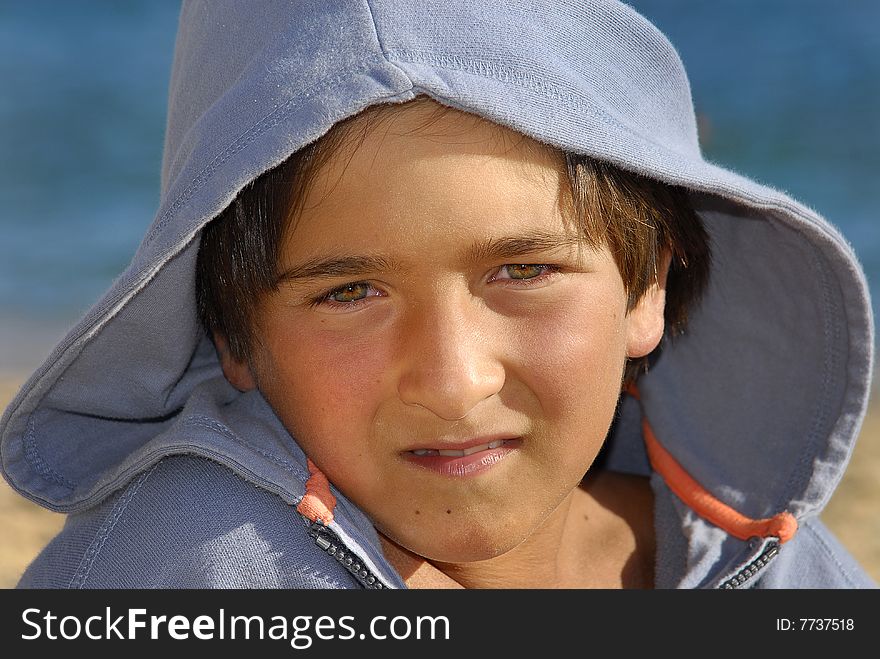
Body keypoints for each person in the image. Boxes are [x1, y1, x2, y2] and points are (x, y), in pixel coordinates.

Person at [1, 0, 874, 589]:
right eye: (351, 292)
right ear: (236, 331)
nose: (454, 383)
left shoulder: (776, 569)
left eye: (523, 271)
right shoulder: (184, 571)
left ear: (647, 282)